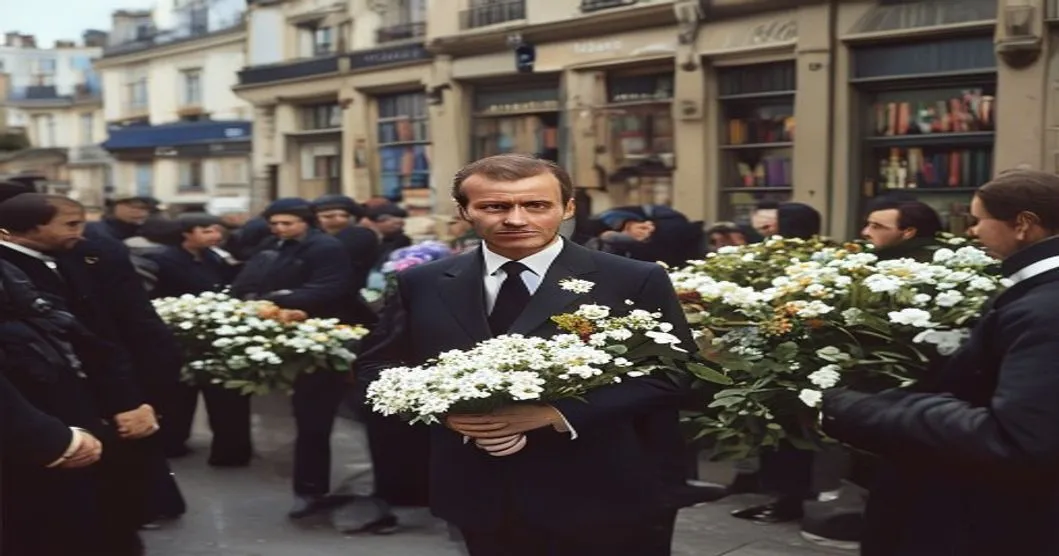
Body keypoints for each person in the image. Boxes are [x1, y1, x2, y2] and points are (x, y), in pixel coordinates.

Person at [357, 154, 695, 555]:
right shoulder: (423, 282)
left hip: (604, 489)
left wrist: (556, 414)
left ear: (567, 208)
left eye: (536, 205)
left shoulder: (633, 278)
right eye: (494, 206)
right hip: (479, 490)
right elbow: (377, 366)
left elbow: (676, 372)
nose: (516, 219)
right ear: (464, 211)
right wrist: (446, 409)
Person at [822, 169, 1059, 556]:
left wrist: (874, 410)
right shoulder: (1036, 291)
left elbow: (1018, 439)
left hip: (993, 521)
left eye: (979, 220)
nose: (972, 231)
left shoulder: (1046, 306)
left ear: (1023, 224)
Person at [0, 194, 162, 555]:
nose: (81, 234)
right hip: (40, 420)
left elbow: (86, 337)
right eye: (71, 225)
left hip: (70, 408)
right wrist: (45, 435)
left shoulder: (65, 259)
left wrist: (129, 400)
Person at [231, 198, 366, 519]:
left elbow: (332, 287)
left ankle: (314, 490)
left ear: (306, 222)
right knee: (306, 419)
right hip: (289, 337)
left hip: (325, 339)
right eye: (275, 224)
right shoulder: (275, 245)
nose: (280, 229)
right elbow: (252, 279)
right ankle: (309, 489)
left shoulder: (326, 248)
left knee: (316, 418)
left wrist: (281, 301)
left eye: (287, 223)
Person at [146, 214, 248, 464]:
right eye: (206, 231)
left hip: (216, 332)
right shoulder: (163, 260)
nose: (215, 236)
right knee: (178, 393)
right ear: (186, 233)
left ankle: (230, 451)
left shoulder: (216, 256)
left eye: (217, 231)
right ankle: (172, 442)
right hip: (178, 334)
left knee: (224, 394)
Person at [861, 200, 944, 261]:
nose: (865, 232)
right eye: (868, 225)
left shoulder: (919, 265)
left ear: (908, 232)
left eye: (876, 227)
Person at [86, 195, 160, 242]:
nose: (138, 212)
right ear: (115, 208)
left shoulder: (150, 231)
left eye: (144, 208)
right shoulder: (94, 230)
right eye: (132, 207)